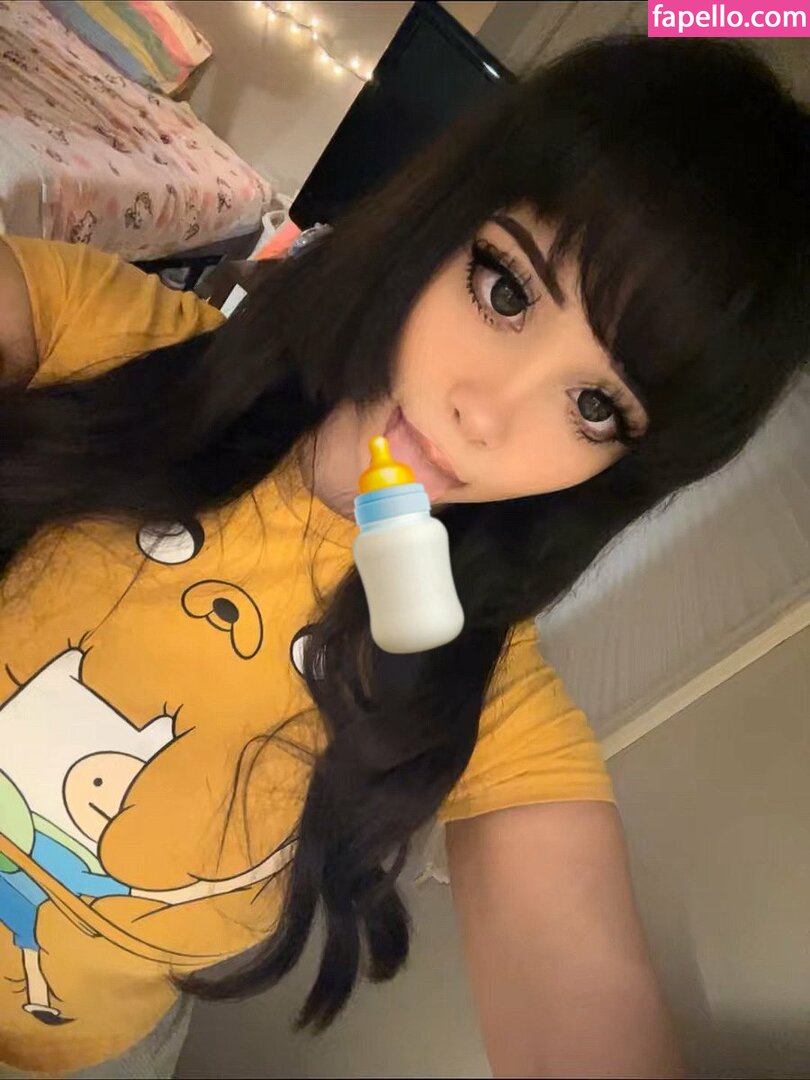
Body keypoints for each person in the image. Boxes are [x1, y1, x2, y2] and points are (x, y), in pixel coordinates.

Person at [0, 33, 807, 1080]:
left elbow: (578, 1007)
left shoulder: (485, 707)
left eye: (596, 405)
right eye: (507, 292)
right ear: (442, 222)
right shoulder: (101, 339)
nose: (487, 413)